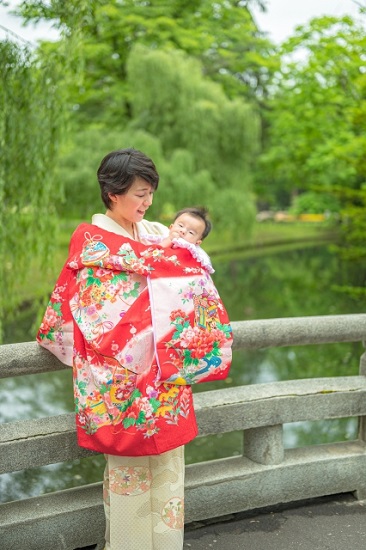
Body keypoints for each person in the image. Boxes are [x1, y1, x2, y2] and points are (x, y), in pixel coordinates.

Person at [36, 148, 233, 550]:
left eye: (150, 194)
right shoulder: (92, 243)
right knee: (128, 479)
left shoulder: (159, 233)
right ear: (112, 193)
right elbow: (94, 315)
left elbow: (192, 279)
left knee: (168, 473)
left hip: (163, 376)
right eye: (140, 194)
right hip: (120, 383)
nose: (148, 203)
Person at [141, 206, 214, 273]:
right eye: (181, 226)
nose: (183, 231)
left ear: (197, 242)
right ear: (171, 227)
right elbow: (154, 252)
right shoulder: (164, 239)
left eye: (191, 232)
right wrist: (169, 239)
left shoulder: (197, 254)